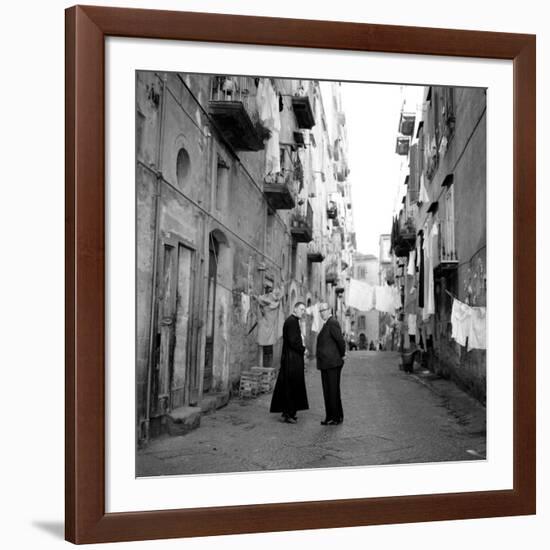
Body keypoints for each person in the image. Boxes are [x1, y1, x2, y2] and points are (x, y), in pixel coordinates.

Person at [270, 302, 309, 423]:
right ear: (295, 309)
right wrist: (303, 349)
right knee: (291, 386)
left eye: (304, 310)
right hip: (292, 360)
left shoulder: (292, 320)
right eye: (301, 309)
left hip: (291, 358)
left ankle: (288, 412)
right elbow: (293, 341)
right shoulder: (292, 321)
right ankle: (289, 414)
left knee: (289, 386)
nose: (303, 312)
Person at [316, 303, 346, 425]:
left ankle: (335, 417)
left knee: (332, 391)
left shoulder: (332, 322)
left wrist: (342, 354)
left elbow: (340, 340)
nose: (321, 313)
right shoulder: (327, 323)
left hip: (332, 363)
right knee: (329, 391)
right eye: (320, 311)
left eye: (323, 310)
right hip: (327, 363)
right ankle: (333, 416)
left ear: (329, 310)